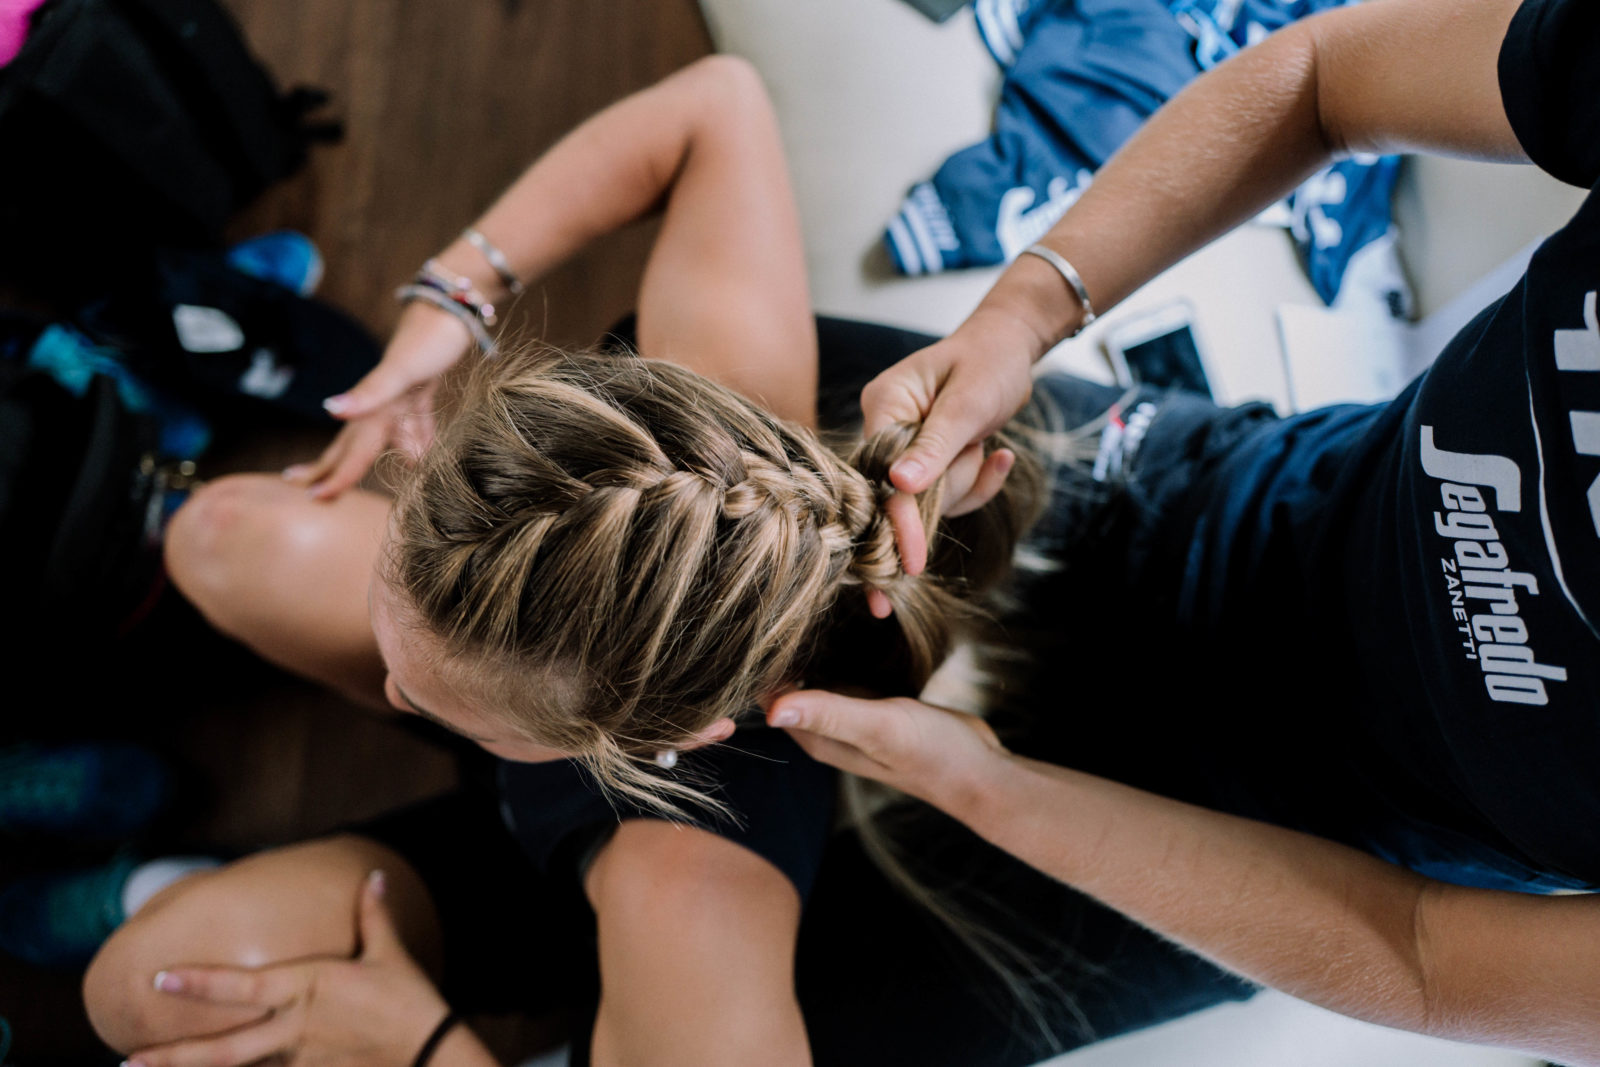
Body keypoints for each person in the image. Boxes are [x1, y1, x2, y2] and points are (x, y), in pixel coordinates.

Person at [80, 54, 1252, 1067]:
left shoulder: (689, 912)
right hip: (600, 717)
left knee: (135, 989)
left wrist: (426, 1046)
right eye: (405, 645)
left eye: (421, 693)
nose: (387, 685)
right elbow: (716, 102)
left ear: (667, 735)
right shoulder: (700, 422)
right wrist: (454, 292)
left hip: (669, 886)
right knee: (222, 536)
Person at [764, 0, 1600, 1063]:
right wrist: (1021, 317)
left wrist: (987, 788)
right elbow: (1323, 81)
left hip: (1286, 842)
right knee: (672, 405)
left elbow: (1421, 954)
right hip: (1201, 494)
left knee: (736, 1014)